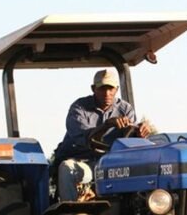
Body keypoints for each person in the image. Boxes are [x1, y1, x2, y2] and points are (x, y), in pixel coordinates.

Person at [53, 68, 152, 201]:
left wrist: (140, 133)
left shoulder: (125, 109)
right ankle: (70, 213)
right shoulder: (79, 108)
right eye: (102, 89)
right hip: (84, 162)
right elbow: (86, 138)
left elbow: (129, 142)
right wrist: (107, 125)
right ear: (93, 89)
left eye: (110, 89)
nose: (107, 93)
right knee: (67, 168)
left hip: (111, 164)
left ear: (116, 89)